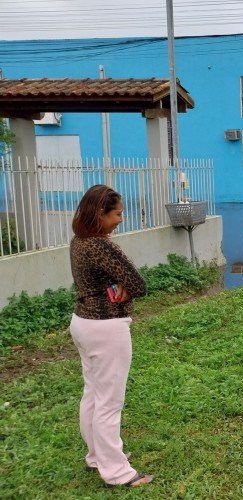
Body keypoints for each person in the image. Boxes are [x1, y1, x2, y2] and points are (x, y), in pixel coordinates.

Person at [69, 185, 153, 488]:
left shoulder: (79, 241)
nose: (121, 219)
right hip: (106, 328)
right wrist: (127, 286)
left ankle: (97, 457)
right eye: (116, 214)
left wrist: (123, 285)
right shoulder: (101, 246)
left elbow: (117, 281)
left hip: (82, 323)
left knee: (93, 394)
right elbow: (139, 283)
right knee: (109, 402)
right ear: (99, 214)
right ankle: (118, 473)